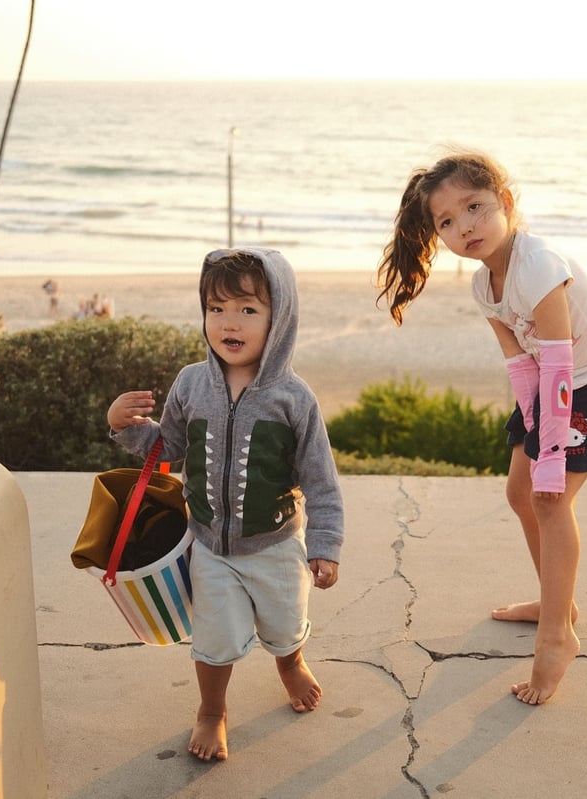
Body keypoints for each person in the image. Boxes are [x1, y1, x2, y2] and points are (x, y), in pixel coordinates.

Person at [377, 150, 587, 705]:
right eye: (446, 222)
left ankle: (556, 638)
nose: (464, 227)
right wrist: (534, 432)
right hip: (553, 380)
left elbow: (562, 363)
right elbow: (523, 367)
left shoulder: (539, 264)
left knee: (550, 498)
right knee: (521, 491)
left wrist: (549, 452)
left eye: (474, 207)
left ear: (506, 203)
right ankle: (558, 604)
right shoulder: (484, 287)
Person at [106, 247, 344, 761]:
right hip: (210, 545)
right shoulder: (192, 383)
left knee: (284, 624)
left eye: (247, 310)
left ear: (279, 320)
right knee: (213, 640)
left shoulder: (293, 398)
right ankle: (212, 710)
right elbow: (167, 448)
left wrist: (325, 545)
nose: (228, 323)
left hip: (277, 545)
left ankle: (289, 664)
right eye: (216, 309)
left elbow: (321, 481)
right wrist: (126, 426)